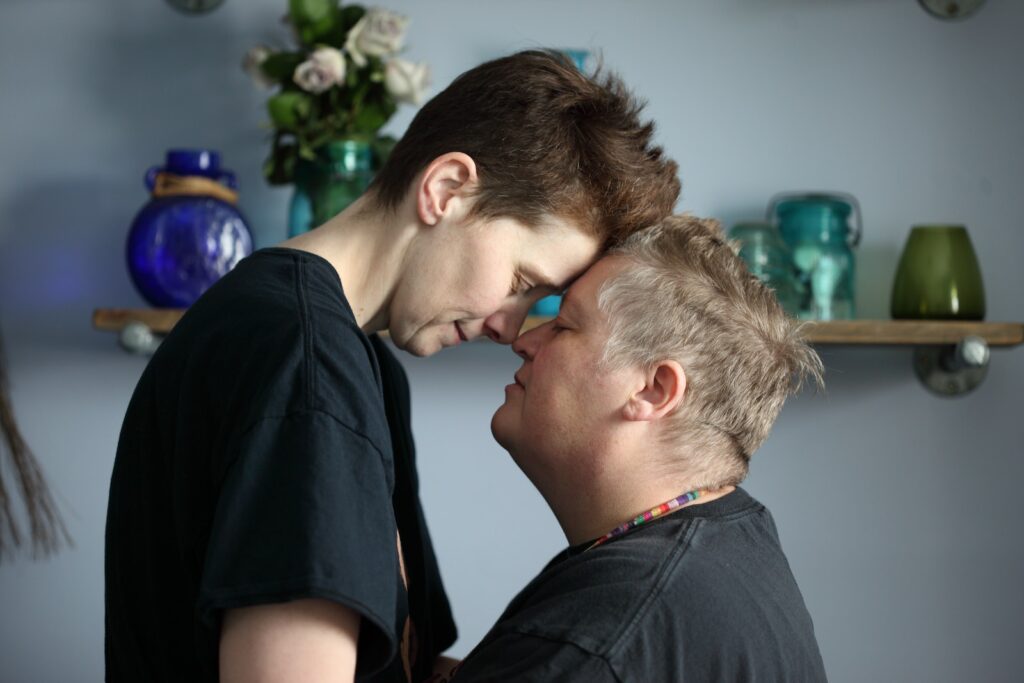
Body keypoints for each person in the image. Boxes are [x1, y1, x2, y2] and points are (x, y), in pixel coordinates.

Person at [104, 50, 680, 683]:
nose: (509, 329)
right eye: (520, 280)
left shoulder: (355, 359)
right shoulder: (304, 362)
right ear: (446, 189)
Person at [452, 214, 827, 682]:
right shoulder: (734, 543)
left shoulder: (599, 641)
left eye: (564, 326)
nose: (523, 341)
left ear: (653, 390)